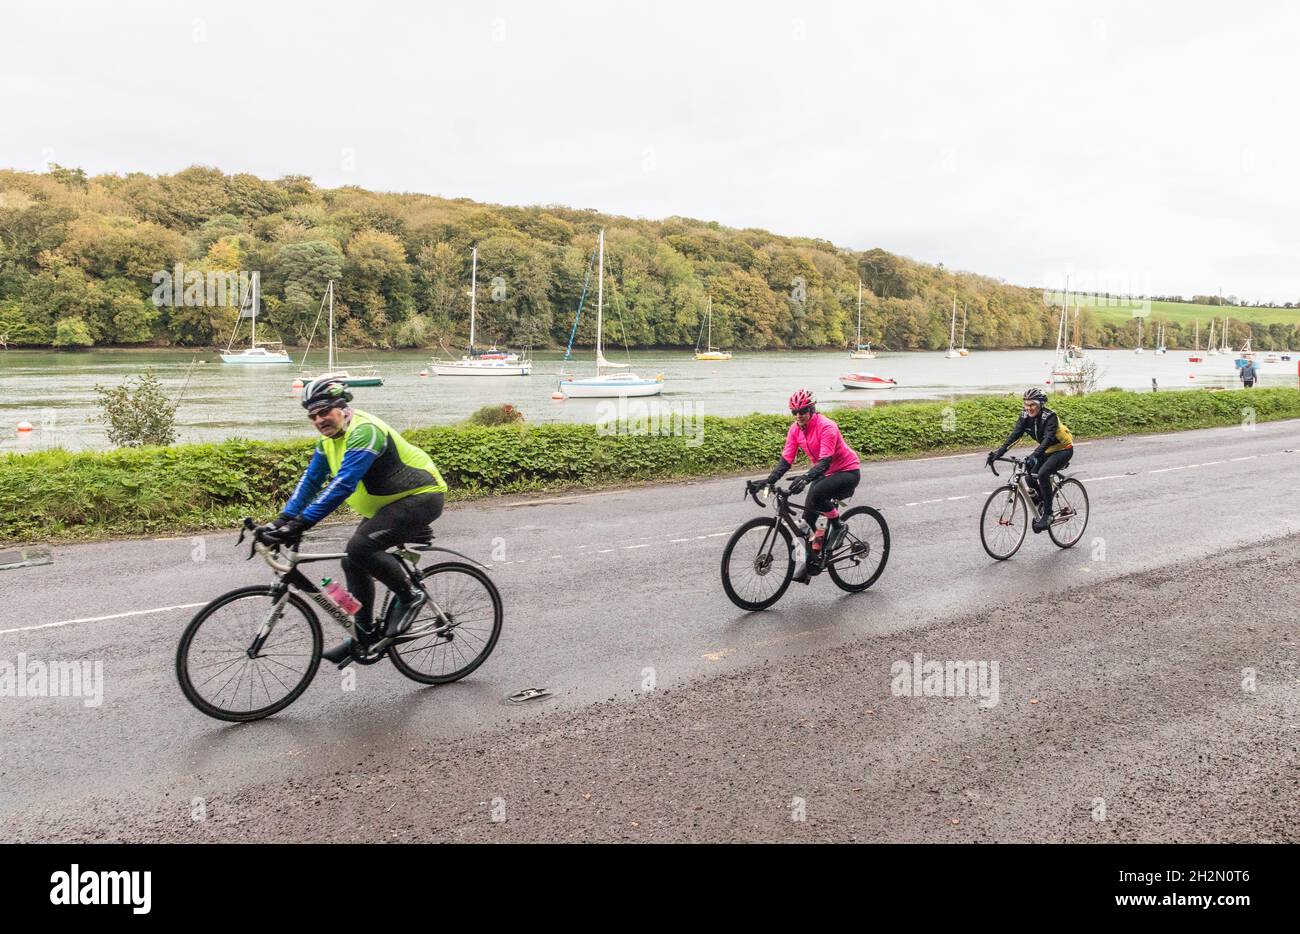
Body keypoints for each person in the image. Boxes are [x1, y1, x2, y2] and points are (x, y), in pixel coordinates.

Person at [256, 374, 449, 663]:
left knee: (359, 548)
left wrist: (301, 523)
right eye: (313, 416)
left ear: (342, 407)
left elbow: (342, 485)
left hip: (420, 497)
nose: (319, 419)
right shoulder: (328, 442)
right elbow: (310, 482)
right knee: (352, 559)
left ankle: (410, 597)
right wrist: (281, 521)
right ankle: (364, 632)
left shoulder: (364, 432)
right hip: (386, 506)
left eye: (324, 411)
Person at [751, 389, 861, 577]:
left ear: (812, 409)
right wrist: (768, 481)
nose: (798, 416)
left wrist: (805, 478)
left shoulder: (827, 426)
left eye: (802, 411)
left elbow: (825, 460)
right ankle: (808, 564)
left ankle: (838, 525)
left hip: (847, 471)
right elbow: (786, 461)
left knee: (817, 493)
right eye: (794, 412)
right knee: (805, 522)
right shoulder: (795, 430)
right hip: (824, 474)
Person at [987, 387, 1074, 534]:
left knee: (1043, 474)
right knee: (1029, 476)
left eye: (1032, 404)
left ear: (1040, 404)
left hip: (1063, 449)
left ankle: (1048, 514)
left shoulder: (1050, 416)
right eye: (1026, 404)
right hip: (1047, 451)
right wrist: (998, 452)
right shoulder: (1025, 416)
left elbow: (1047, 440)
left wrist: (1033, 456)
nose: (1029, 408)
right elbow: (1015, 435)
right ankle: (1041, 503)